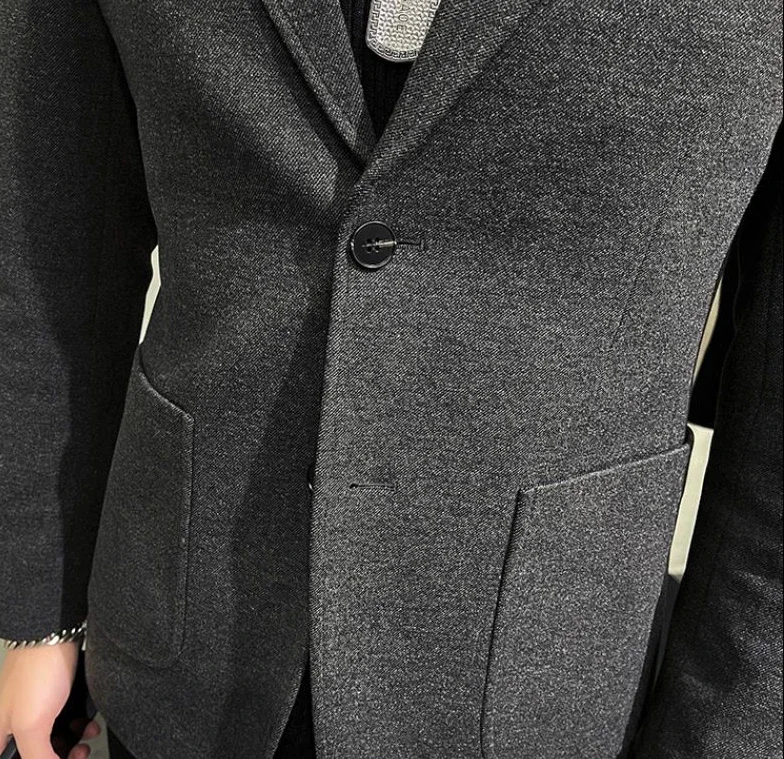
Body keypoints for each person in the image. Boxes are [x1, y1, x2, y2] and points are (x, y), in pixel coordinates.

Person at [1, 0, 781, 757]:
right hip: (180, 640)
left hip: (544, 680)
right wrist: (40, 605)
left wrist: (728, 733)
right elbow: (54, 213)